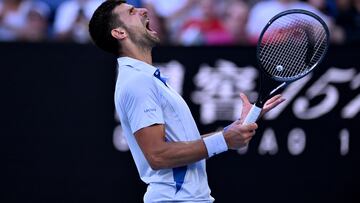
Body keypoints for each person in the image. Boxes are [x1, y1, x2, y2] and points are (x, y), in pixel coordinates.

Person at [88, 1, 285, 202]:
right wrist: (224, 140)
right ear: (119, 33)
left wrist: (231, 131)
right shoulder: (138, 81)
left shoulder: (144, 78)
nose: (143, 10)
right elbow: (157, 155)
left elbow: (178, 142)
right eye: (131, 12)